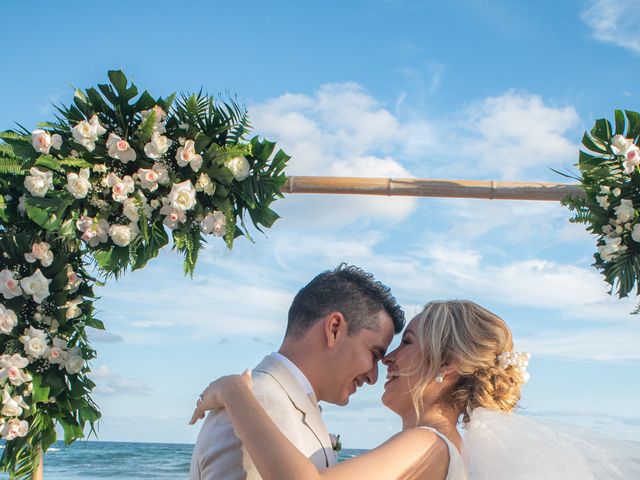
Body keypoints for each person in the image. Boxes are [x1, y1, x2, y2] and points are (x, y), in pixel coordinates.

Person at [191, 300, 640, 479]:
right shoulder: (447, 448)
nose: (387, 360)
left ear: (447, 364)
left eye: (406, 343)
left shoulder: (427, 442)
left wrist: (234, 391)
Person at [189, 264, 405, 480]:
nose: (373, 377)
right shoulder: (257, 404)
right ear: (334, 329)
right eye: (374, 354)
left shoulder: (269, 400)